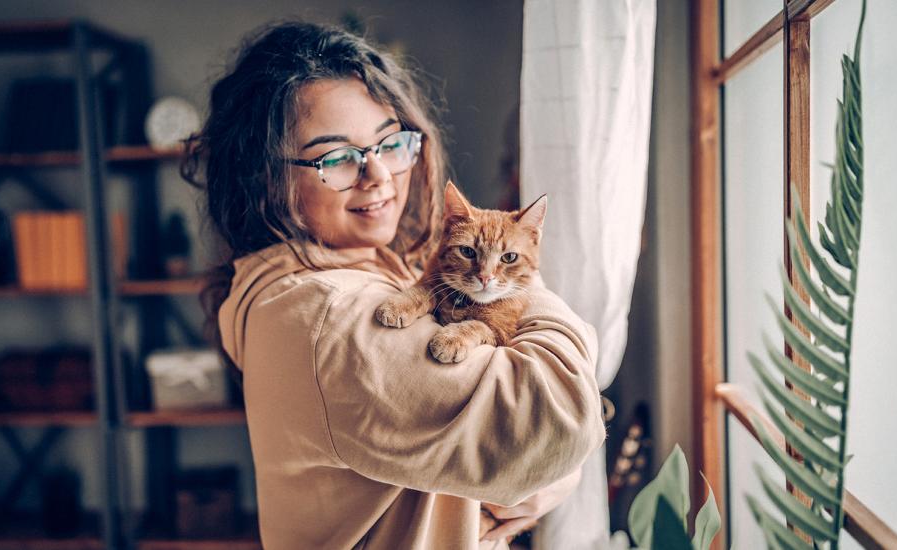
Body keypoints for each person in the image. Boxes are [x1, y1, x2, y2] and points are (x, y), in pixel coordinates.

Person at [183, 21, 605, 550]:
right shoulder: (327, 315)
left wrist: (545, 477)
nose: (379, 175)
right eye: (336, 157)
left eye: (390, 142)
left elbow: (545, 455)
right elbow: (561, 419)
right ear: (267, 179)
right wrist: (520, 266)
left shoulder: (377, 269)